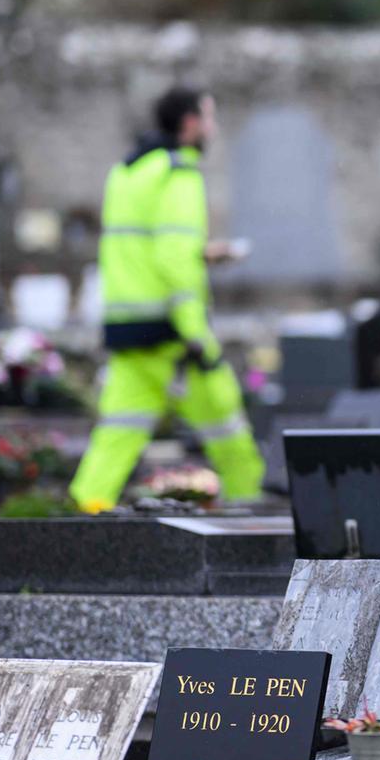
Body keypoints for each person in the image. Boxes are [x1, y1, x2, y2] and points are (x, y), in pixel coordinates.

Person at [69, 87, 262, 512]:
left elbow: (140, 248)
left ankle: (82, 519)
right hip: (173, 332)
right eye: (208, 118)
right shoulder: (179, 174)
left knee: (117, 434)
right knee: (228, 431)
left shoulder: (128, 171)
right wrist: (196, 335)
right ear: (189, 123)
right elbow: (174, 258)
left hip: (128, 326)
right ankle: (255, 523)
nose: (212, 128)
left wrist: (203, 253)